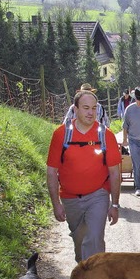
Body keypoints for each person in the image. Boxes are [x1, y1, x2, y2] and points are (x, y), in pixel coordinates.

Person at [47, 89, 121, 262]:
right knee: (80, 241)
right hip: (69, 198)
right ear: (75, 109)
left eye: (94, 108)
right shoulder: (61, 134)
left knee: (94, 238)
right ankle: (84, 271)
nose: (91, 112)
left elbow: (114, 172)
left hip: (98, 195)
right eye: (86, 108)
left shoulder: (106, 135)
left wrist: (115, 204)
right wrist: (56, 204)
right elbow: (51, 172)